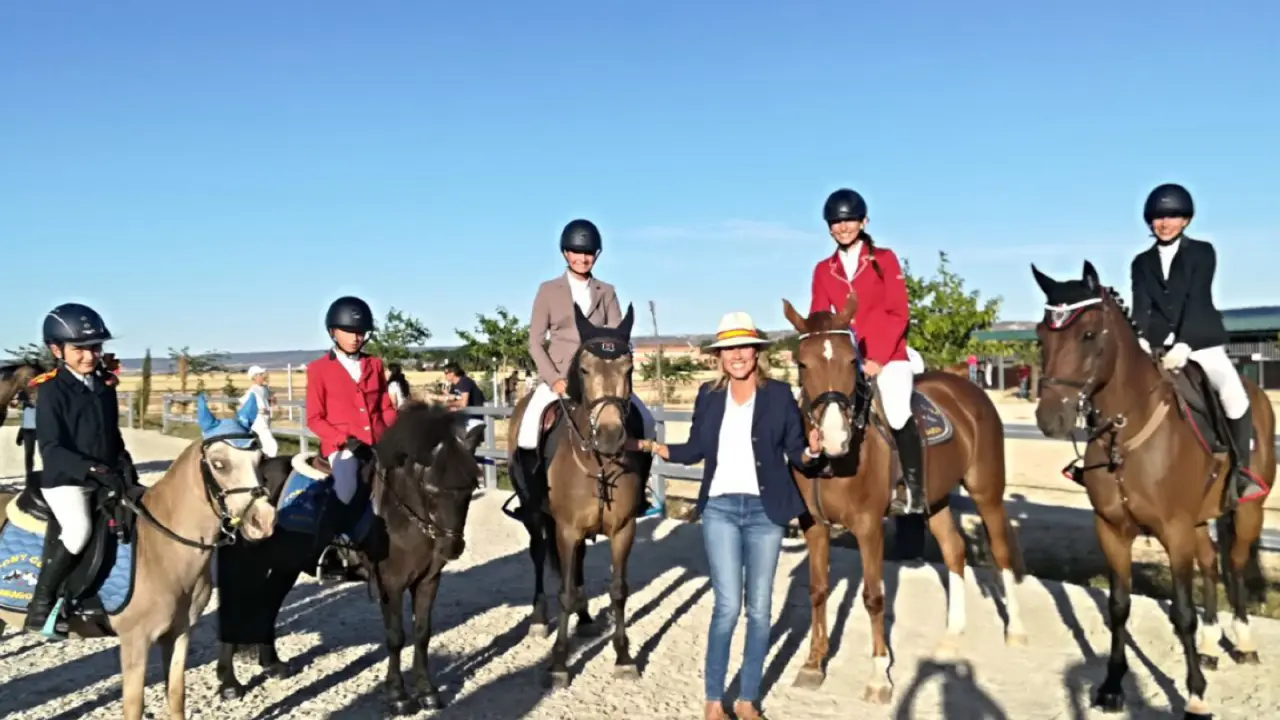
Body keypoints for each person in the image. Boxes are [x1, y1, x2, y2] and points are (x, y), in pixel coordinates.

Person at [639, 312, 822, 720]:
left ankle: (747, 700)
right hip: (720, 508)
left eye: (744, 347)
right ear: (719, 357)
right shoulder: (708, 395)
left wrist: (811, 450)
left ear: (757, 353)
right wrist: (654, 447)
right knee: (727, 607)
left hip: (765, 512)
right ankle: (713, 701)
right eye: (729, 349)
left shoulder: (780, 395)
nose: (737, 355)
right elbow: (694, 449)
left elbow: (796, 452)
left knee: (759, 609)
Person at [1130, 183, 1266, 505]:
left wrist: (1185, 344)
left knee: (1233, 394)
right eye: (1158, 217)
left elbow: (1197, 298)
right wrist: (1140, 340)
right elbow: (1141, 307)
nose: (1165, 223)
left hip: (1201, 343)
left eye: (1172, 216)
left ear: (1186, 220)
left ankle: (1241, 472)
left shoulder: (1202, 252)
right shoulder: (1141, 262)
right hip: (1157, 347)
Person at [808, 188, 925, 514]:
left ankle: (913, 490)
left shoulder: (884, 259)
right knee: (822, 404)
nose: (843, 227)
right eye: (836, 222)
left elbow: (899, 312)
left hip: (888, 354)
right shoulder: (823, 269)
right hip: (847, 357)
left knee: (897, 411)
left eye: (849, 220)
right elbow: (820, 317)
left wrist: (879, 359)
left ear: (863, 222)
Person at [514, 219, 656, 481]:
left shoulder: (607, 291)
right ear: (565, 253)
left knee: (647, 422)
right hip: (561, 377)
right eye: (576, 252)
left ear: (596, 255)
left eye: (588, 253)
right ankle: (531, 492)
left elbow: (618, 338)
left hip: (601, 379)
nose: (582, 258)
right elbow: (535, 341)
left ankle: (639, 488)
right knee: (527, 432)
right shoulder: (548, 290)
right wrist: (553, 379)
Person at [26, 303, 136, 636]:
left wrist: (124, 466)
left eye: (95, 347)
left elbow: (111, 435)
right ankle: (40, 606)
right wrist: (90, 467)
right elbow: (51, 448)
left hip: (104, 474)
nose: (90, 356)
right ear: (57, 350)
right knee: (78, 529)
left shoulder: (104, 385)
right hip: (66, 479)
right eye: (80, 349)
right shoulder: (50, 389)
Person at [305, 296, 399, 511]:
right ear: (333, 332)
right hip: (343, 447)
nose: (355, 338)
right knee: (347, 487)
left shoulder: (375, 364)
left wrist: (394, 430)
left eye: (360, 332)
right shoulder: (318, 369)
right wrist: (343, 440)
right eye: (348, 331)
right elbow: (314, 419)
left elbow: (385, 407)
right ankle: (334, 529)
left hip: (378, 441)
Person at [443, 361, 486, 445]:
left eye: (446, 373)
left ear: (453, 373)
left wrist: (447, 404)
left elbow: (463, 403)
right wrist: (447, 397)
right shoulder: (454, 385)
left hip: (474, 417)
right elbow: (453, 401)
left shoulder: (465, 382)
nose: (445, 375)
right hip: (464, 416)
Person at [240, 366, 278, 458]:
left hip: (266, 418)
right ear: (254, 377)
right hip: (259, 419)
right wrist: (258, 409)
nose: (263, 376)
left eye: (262, 374)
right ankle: (270, 460)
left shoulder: (265, 388)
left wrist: (271, 401)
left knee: (265, 442)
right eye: (260, 374)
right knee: (271, 444)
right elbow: (243, 404)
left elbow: (269, 401)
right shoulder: (252, 391)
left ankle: (262, 459)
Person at [15, 387, 38, 488]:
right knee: (29, 454)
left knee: (46, 453)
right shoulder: (24, 393)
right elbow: (16, 402)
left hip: (42, 428)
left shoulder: (44, 392)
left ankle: (48, 474)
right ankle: (29, 475)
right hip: (28, 429)